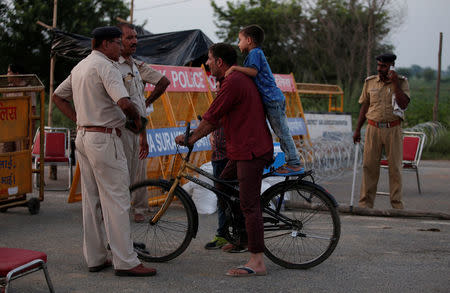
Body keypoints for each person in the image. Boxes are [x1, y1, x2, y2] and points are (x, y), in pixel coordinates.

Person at [52, 26, 156, 277]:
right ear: (105, 44)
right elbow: (124, 102)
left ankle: (96, 257)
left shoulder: (80, 67)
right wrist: (137, 119)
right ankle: (126, 261)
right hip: (106, 138)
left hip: (84, 136)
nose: (121, 48)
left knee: (92, 201)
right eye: (118, 43)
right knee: (118, 199)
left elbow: (58, 96)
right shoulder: (107, 66)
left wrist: (80, 118)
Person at [175, 43, 273, 277]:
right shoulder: (231, 82)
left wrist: (192, 138)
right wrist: (195, 135)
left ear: (219, 62)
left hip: (251, 150)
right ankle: (241, 238)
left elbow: (211, 117)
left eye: (209, 59)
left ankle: (257, 261)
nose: (207, 64)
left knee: (250, 205)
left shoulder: (233, 82)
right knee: (222, 186)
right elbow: (217, 119)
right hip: (240, 149)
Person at [225, 24, 302, 174]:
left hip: (272, 99)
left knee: (282, 131)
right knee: (275, 130)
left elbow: (253, 72)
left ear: (249, 40)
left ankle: (294, 162)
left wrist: (234, 68)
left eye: (239, 40)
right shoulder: (255, 54)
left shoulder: (254, 53)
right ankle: (281, 159)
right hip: (271, 100)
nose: (238, 43)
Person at [116, 22, 170, 223]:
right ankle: (117, 209)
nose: (134, 41)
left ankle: (139, 207)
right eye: (129, 37)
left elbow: (162, 83)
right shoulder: (112, 66)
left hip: (137, 127)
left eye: (135, 37)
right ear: (116, 40)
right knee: (120, 171)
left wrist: (147, 102)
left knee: (138, 169)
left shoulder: (137, 67)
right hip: (117, 128)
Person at [353, 53, 410, 209]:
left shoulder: (401, 82)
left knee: (395, 168)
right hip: (373, 128)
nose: (380, 69)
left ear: (391, 66)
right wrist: (357, 130)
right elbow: (364, 106)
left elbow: (403, 104)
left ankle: (397, 205)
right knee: (369, 166)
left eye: (383, 66)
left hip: (393, 128)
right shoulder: (370, 82)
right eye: (378, 65)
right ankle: (365, 204)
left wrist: (395, 84)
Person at [203, 127, 230, 250]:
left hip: (230, 156)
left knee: (234, 199)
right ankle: (224, 234)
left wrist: (193, 137)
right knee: (222, 199)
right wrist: (213, 134)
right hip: (219, 157)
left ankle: (241, 237)